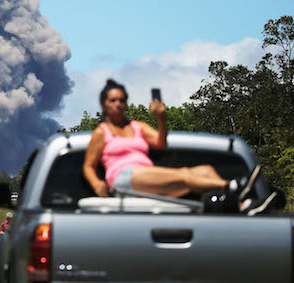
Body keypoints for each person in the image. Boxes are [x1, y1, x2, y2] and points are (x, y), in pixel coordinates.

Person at [82, 79, 256, 205]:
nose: (118, 104)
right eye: (113, 100)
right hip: (124, 177)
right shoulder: (102, 132)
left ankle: (242, 205)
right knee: (185, 176)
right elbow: (89, 165)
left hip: (147, 176)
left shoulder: (137, 127)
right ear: (104, 104)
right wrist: (97, 183)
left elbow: (161, 144)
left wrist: (161, 118)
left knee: (205, 170)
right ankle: (233, 186)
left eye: (121, 100)